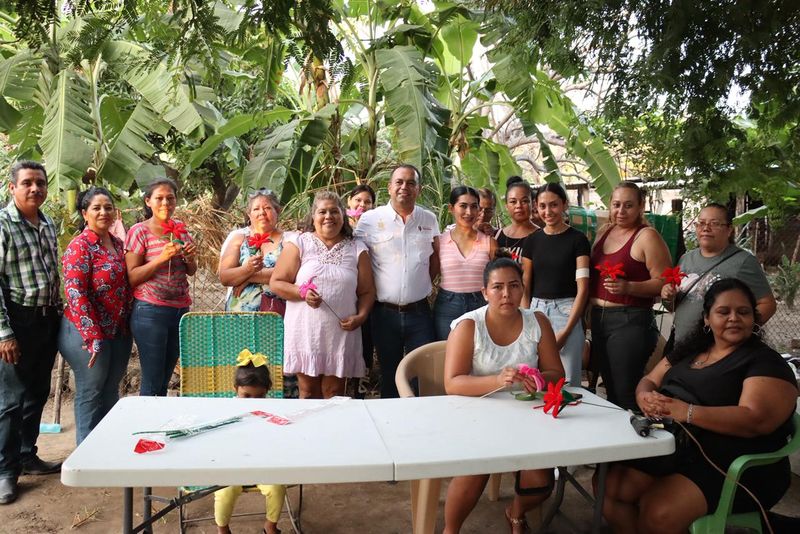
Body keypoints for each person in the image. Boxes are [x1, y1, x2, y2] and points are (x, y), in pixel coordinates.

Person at [601, 279, 798, 534]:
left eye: (743, 312)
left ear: (754, 317)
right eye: (723, 312)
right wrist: (644, 397)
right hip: (677, 446)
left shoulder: (764, 362)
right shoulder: (691, 351)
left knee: (658, 512)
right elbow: (649, 380)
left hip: (736, 462)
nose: (734, 318)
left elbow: (756, 419)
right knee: (609, 485)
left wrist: (687, 412)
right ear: (706, 318)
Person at [443, 257, 564, 534]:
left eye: (514, 285)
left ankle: (516, 512)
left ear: (523, 288)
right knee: (478, 465)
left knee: (541, 480)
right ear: (484, 292)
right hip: (476, 413)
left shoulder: (538, 322)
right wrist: (497, 381)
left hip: (525, 415)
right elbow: (453, 383)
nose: (506, 294)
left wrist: (537, 379)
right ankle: (450, 530)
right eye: (497, 287)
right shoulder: (469, 326)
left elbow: (556, 373)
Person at [0, 161, 63, 505]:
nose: (35, 188)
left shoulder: (47, 222)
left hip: (46, 319)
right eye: (27, 183)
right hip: (16, 320)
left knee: (37, 391)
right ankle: (5, 472)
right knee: (10, 400)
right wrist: (4, 333)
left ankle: (27, 455)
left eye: (40, 182)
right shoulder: (3, 225)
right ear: (13, 188)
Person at [272, 191, 375, 399]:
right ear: (313, 217)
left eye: (334, 211)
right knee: (308, 392)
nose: (328, 216)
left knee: (334, 393)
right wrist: (302, 292)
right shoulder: (299, 243)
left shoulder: (357, 248)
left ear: (343, 217)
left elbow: (367, 291)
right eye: (322, 211)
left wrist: (361, 316)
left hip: (341, 333)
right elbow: (277, 282)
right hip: (306, 332)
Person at [355, 164, 439, 398]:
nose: (405, 187)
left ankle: (420, 424)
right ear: (390, 187)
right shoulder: (370, 220)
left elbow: (434, 261)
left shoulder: (429, 219)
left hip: (419, 313)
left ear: (418, 189)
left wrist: (418, 284)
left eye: (411, 183)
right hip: (383, 313)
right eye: (399, 182)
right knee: (390, 374)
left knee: (422, 373)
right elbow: (359, 261)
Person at [59, 187, 133, 445]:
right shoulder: (80, 247)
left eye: (108, 207)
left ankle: (105, 446)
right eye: (96, 208)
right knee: (91, 390)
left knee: (111, 388)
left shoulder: (119, 244)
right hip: (85, 332)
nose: (104, 212)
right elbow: (75, 293)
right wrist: (92, 335)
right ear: (85, 213)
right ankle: (85, 450)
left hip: (118, 331)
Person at [589, 182, 671, 410]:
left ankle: (642, 440)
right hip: (599, 318)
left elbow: (665, 282)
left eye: (628, 205)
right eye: (616, 205)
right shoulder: (605, 232)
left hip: (630, 319)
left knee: (626, 392)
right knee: (610, 391)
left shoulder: (646, 236)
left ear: (640, 207)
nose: (621, 211)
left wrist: (629, 287)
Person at [662, 202, 776, 344]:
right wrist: (668, 297)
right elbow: (673, 306)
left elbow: (767, 304)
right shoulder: (686, 258)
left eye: (714, 223)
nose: (706, 228)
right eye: (701, 223)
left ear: (729, 230)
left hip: (719, 350)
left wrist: (739, 334)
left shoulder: (743, 261)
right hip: (682, 345)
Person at [125, 178, 197, 397]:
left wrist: (190, 258)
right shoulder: (139, 232)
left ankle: (157, 427)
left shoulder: (181, 231)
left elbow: (191, 271)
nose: (165, 202)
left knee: (164, 379)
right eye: (159, 198)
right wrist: (160, 259)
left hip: (179, 311)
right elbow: (132, 277)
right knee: (152, 378)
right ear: (148, 202)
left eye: (170, 198)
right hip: (150, 311)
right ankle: (145, 429)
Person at [521, 183, 591, 386]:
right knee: (535, 379)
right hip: (537, 311)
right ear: (536, 207)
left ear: (564, 205)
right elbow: (526, 284)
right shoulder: (532, 241)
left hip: (568, 311)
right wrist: (526, 317)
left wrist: (568, 330)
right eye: (542, 206)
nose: (548, 211)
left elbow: (583, 288)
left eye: (553, 205)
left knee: (568, 383)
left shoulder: (578, 240)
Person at [214, 353, 285, 534]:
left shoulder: (272, 411)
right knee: (224, 493)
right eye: (246, 396)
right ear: (235, 389)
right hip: (231, 467)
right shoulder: (225, 411)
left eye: (259, 396)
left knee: (277, 488)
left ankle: (270, 526)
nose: (252, 403)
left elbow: (278, 440)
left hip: (263, 466)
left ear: (267, 391)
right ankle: (223, 530)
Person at [433, 186, 496, 340]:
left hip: (481, 305)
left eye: (474, 206)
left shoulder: (490, 243)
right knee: (446, 353)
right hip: (448, 305)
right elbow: (430, 274)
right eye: (463, 206)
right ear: (451, 208)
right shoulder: (439, 242)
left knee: (480, 355)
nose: (469, 212)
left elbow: (497, 280)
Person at [219, 189, 287, 315]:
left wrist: (248, 277)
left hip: (275, 317)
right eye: (256, 209)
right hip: (239, 318)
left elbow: (289, 274)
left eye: (267, 208)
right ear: (249, 214)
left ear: (277, 211)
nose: (262, 213)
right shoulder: (238, 238)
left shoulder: (289, 240)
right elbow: (224, 277)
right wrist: (248, 269)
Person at [346, 184, 376, 396]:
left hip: (367, 294)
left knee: (365, 343)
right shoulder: (340, 226)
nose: (362, 205)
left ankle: (359, 388)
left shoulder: (375, 227)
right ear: (349, 201)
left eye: (367, 202)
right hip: (345, 296)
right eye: (358, 200)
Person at [495, 176, 538, 263]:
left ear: (533, 204)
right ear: (506, 206)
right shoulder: (496, 236)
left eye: (524, 201)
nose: (518, 206)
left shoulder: (541, 236)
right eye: (513, 202)